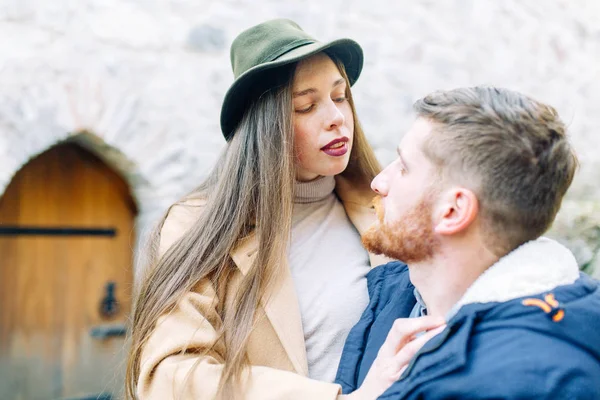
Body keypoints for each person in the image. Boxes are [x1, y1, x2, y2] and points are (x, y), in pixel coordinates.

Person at [125, 18, 443, 400]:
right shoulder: (194, 226)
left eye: (340, 97)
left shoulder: (386, 206)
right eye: (306, 106)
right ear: (265, 127)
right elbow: (167, 376)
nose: (336, 118)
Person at [335, 86, 600, 399]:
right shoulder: (403, 292)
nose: (378, 183)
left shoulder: (519, 384)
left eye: (404, 168)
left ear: (453, 211)